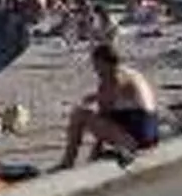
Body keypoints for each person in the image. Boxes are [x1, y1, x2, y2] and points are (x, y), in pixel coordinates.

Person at [55, 42, 160, 170]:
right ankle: (85, 158)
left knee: (80, 114)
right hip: (151, 134)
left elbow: (104, 112)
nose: (95, 70)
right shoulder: (131, 74)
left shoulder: (113, 78)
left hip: (135, 138)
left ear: (104, 63)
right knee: (91, 113)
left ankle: (67, 162)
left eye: (96, 65)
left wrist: (95, 151)